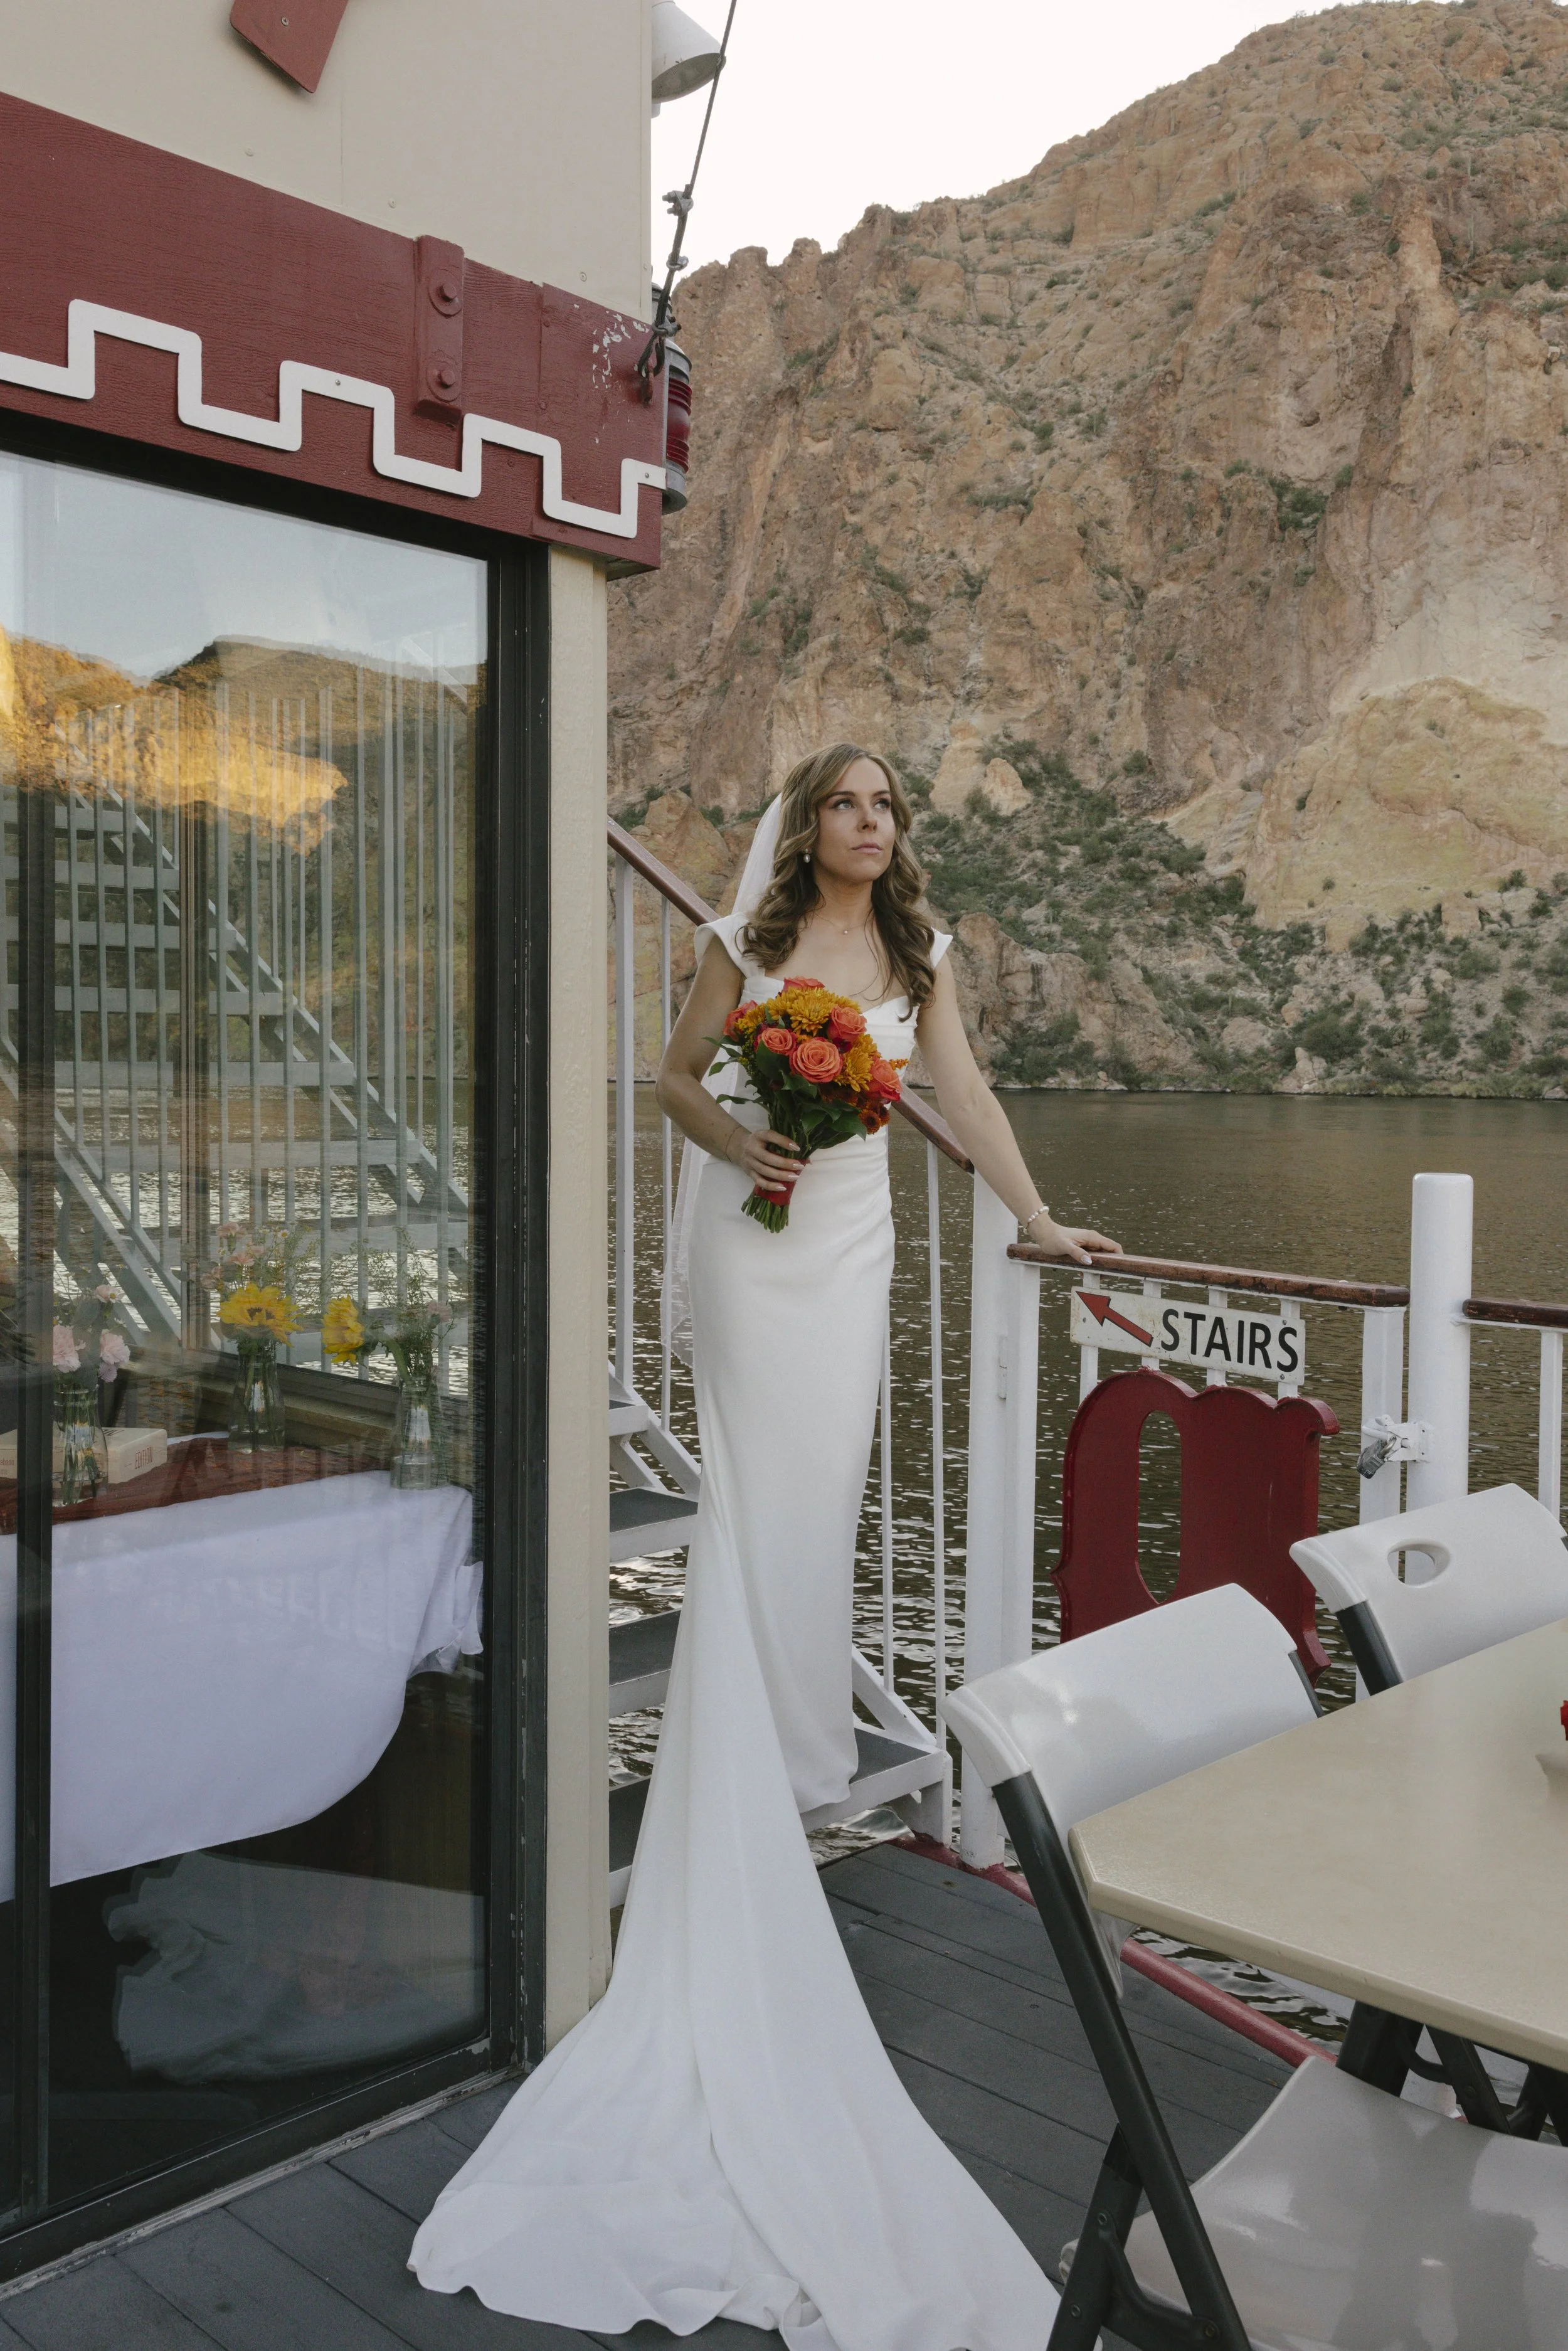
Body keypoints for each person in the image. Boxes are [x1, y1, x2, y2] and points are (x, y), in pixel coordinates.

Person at [410, 744, 1121, 2351]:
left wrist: (1033, 1211)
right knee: (740, 1510)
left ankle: (764, 1770)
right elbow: (671, 1083)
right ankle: (731, 1830)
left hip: (853, 1249)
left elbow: (968, 1093)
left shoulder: (920, 958)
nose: (874, 825)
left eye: (890, 806)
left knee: (812, 1513)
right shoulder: (738, 946)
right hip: (754, 1238)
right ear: (806, 824)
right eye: (851, 803)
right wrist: (746, 1147)